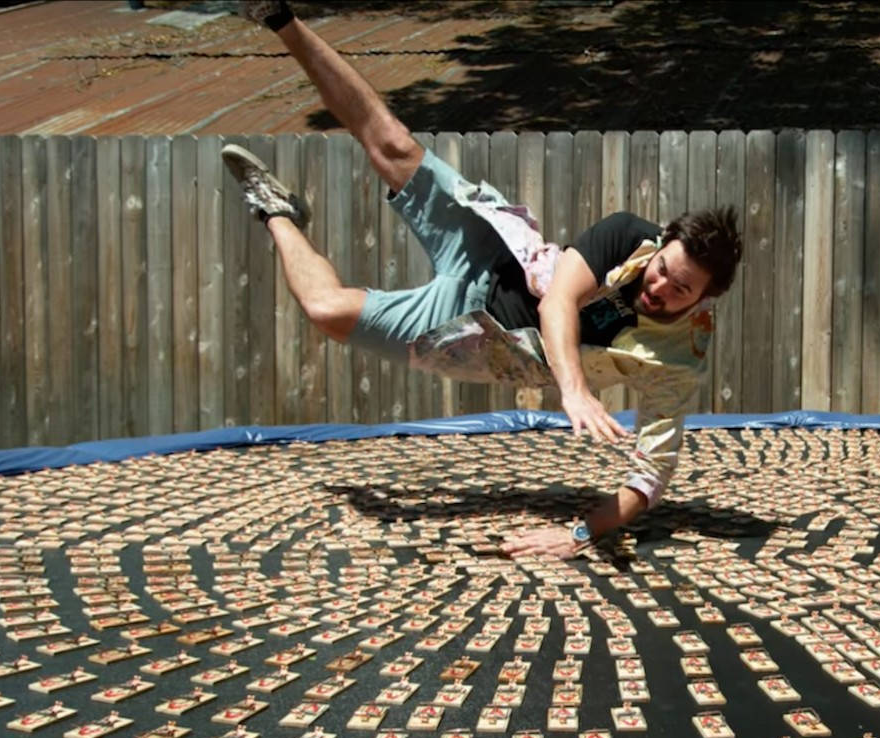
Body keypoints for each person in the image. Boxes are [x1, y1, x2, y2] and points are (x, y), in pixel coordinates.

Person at [227, 2, 741, 559]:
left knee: (325, 310)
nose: (659, 288)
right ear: (662, 242)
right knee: (393, 143)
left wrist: (578, 535)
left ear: (705, 299)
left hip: (478, 333)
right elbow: (559, 302)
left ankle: (278, 213)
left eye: (680, 290)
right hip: (491, 252)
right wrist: (574, 390)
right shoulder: (627, 235)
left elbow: (650, 475)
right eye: (663, 269)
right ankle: (279, 17)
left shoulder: (677, 361)